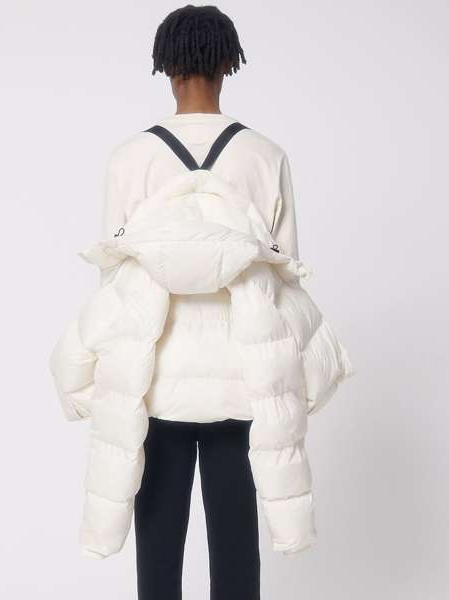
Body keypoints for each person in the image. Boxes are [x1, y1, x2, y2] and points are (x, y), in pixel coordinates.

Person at [50, 5, 352, 600]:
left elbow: (112, 282)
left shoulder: (129, 157)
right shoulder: (266, 155)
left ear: (166, 66)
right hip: (243, 384)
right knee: (237, 552)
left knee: (157, 550)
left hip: (155, 384)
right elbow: (287, 274)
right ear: (227, 63)